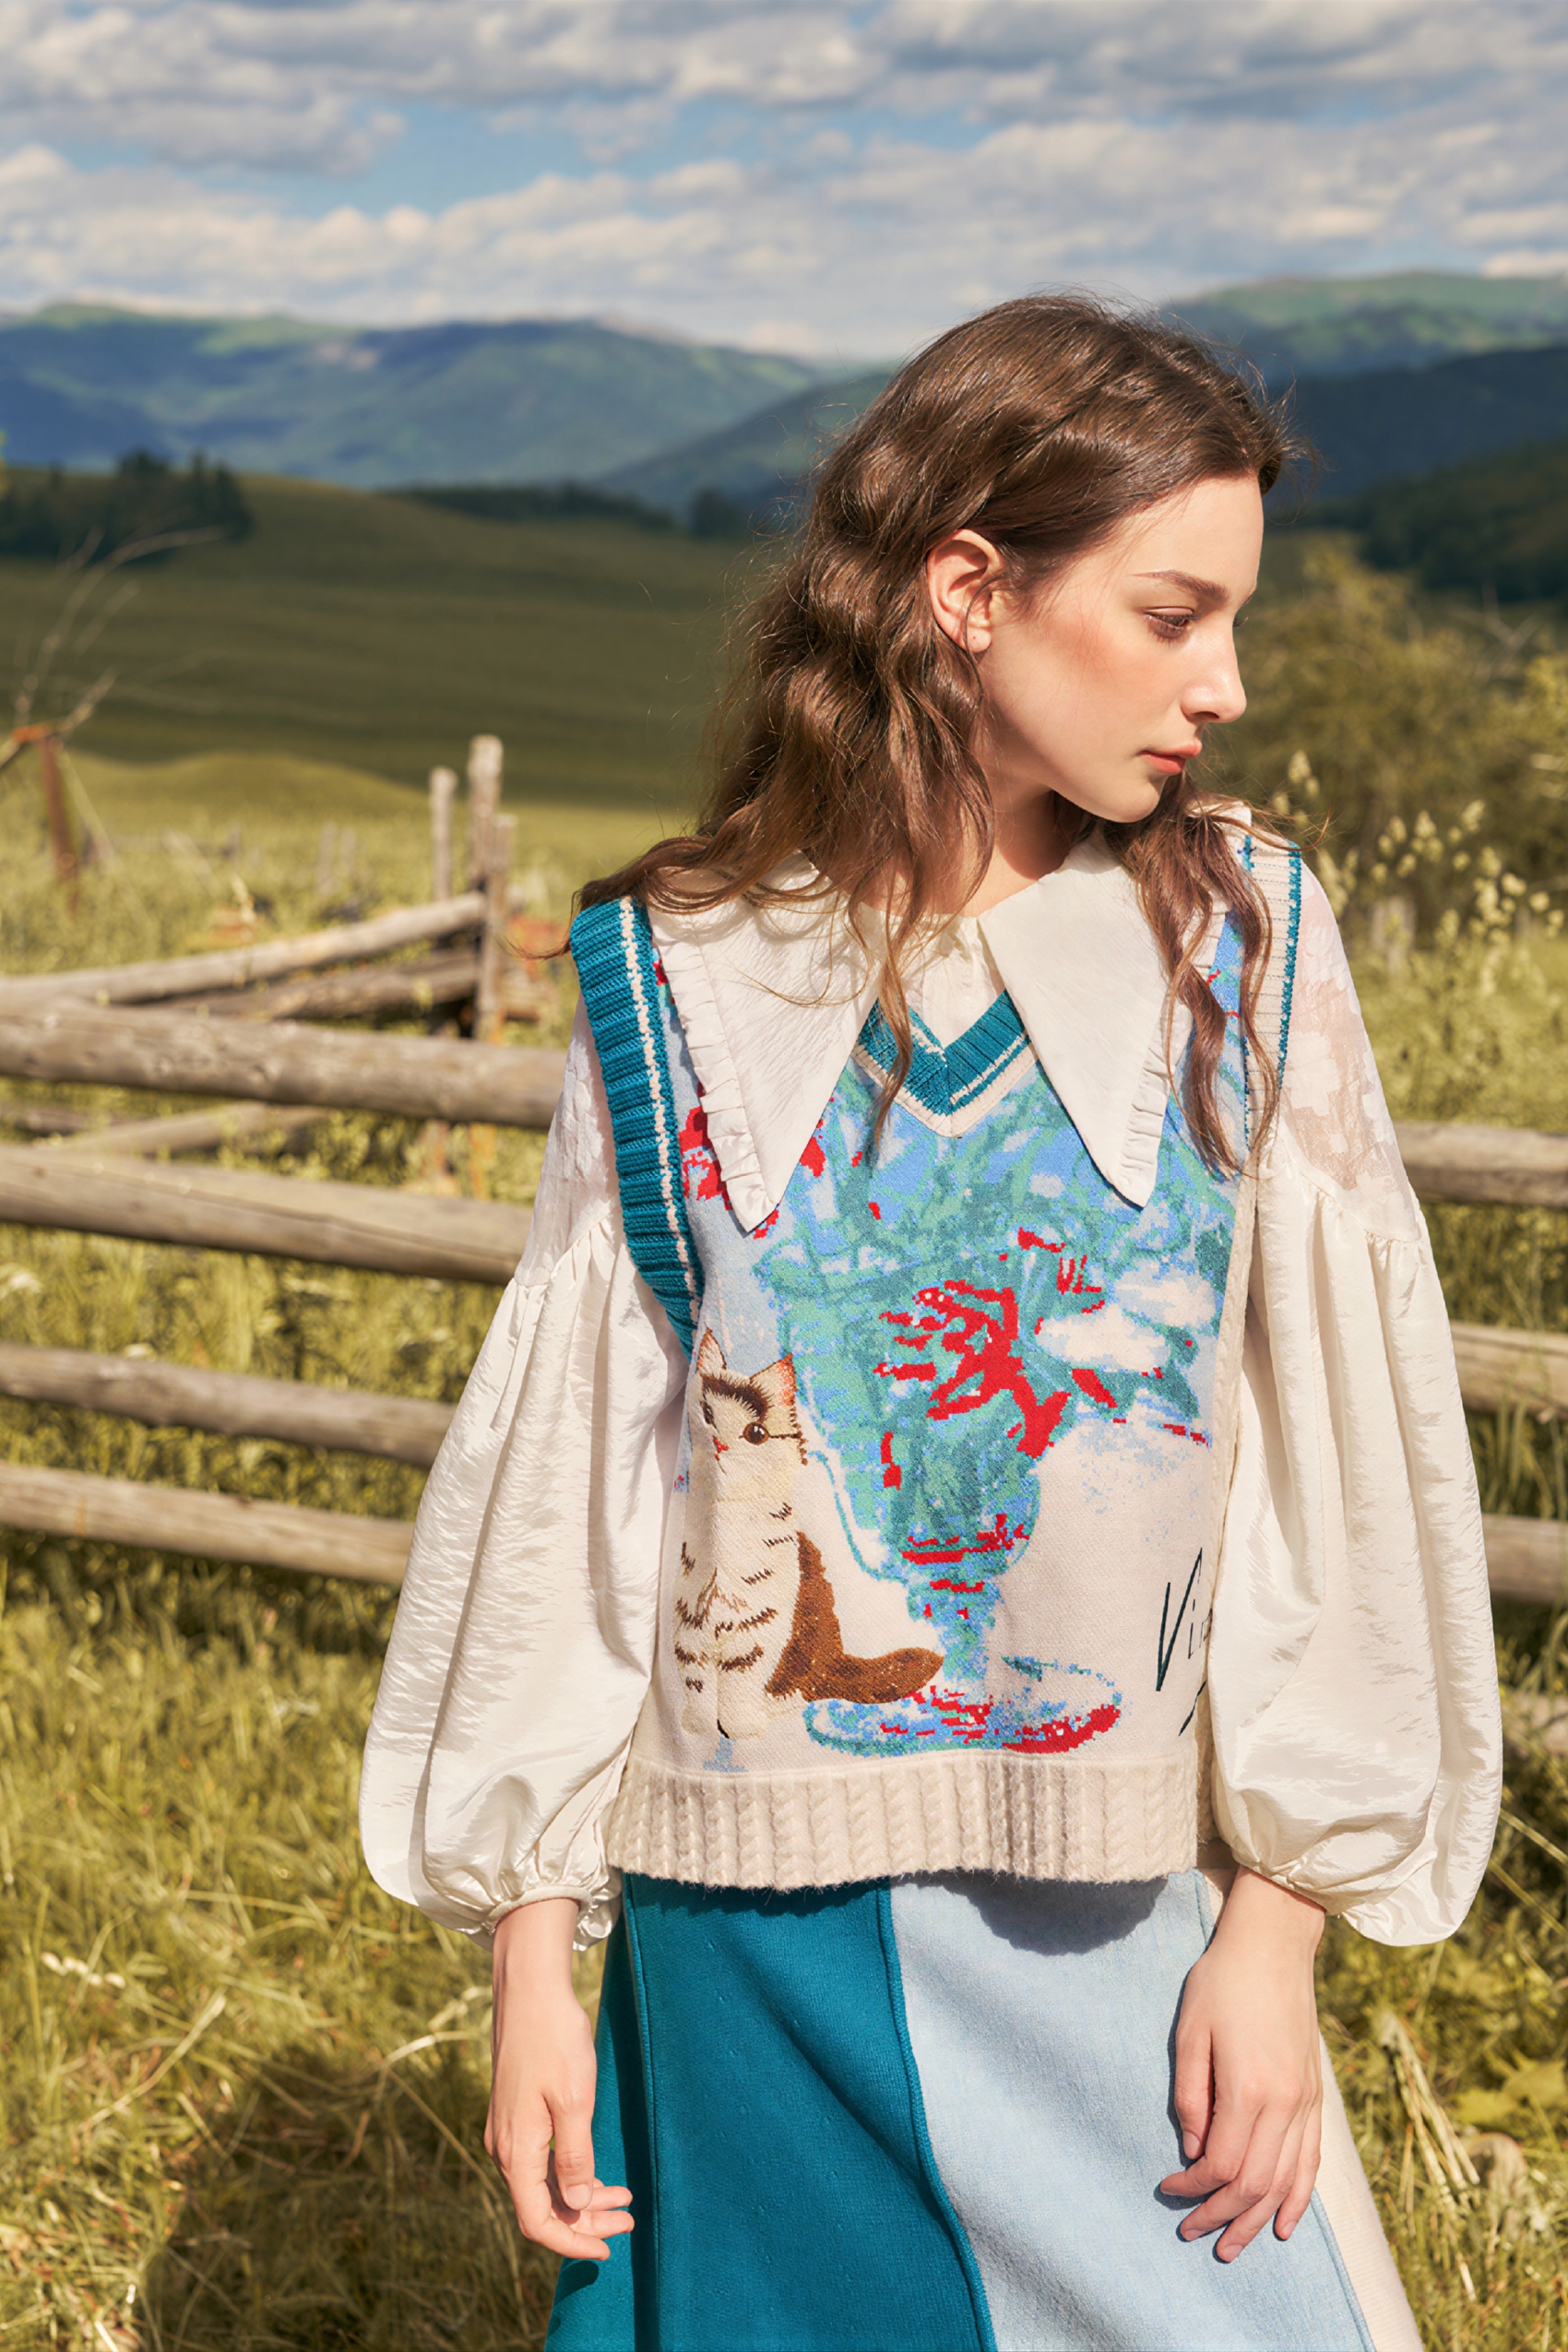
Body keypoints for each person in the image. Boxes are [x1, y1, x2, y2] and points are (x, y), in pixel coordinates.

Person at [361, 293, 1502, 2352]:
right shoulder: (671, 980)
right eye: (1172, 615)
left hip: (1126, 1931)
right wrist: (534, 1951)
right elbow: (582, 1488)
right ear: (969, 594)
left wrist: (1278, 1925)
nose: (1226, 684)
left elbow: (1336, 1464)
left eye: (1232, 621)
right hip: (749, 1948)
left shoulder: (1243, 952)